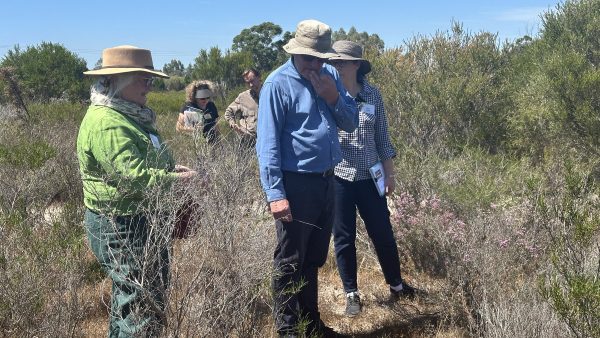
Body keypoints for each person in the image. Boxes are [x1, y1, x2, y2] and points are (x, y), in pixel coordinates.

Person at [77, 45, 197, 337]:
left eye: (150, 79)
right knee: (143, 305)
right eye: (143, 79)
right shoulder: (108, 122)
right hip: (122, 225)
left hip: (136, 219)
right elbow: (132, 179)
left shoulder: (128, 114)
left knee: (131, 299)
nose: (149, 86)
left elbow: (139, 163)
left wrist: (171, 169)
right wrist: (178, 181)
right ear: (120, 80)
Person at [256, 20, 358, 338]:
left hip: (328, 180)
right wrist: (275, 193)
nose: (315, 64)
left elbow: (351, 122)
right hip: (295, 183)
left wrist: (332, 98)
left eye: (320, 58)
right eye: (308, 58)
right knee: (290, 261)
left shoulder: (329, 78)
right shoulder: (277, 84)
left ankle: (311, 325)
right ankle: (288, 330)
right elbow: (267, 143)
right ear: (295, 53)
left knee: (313, 258)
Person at [328, 40, 416, 317]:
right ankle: (352, 294)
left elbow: (382, 139)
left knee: (383, 234)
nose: (337, 65)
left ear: (356, 65)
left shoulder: (372, 95)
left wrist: (389, 174)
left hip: (370, 176)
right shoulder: (329, 94)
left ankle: (397, 285)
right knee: (344, 237)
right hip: (339, 177)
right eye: (334, 61)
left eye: (342, 61)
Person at [223, 68, 262, 146]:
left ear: (259, 77)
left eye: (252, 81)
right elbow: (228, 112)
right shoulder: (243, 97)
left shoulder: (271, 93)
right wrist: (233, 124)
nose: (250, 85)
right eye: (248, 83)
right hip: (248, 142)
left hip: (267, 140)